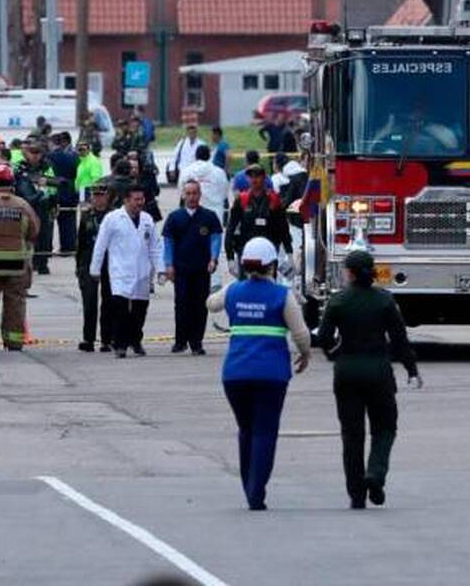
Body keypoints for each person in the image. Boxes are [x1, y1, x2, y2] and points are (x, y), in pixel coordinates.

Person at [205, 238, 312, 510]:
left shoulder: (234, 291)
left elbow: (211, 304)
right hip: (271, 375)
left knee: (246, 429)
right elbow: (300, 332)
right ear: (272, 265)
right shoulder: (281, 295)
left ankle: (248, 486)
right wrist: (305, 353)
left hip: (235, 374)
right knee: (265, 431)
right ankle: (256, 491)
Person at [318, 250, 422, 510]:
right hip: (378, 371)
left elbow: (324, 338)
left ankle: (356, 494)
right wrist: (411, 368)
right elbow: (399, 340)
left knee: (352, 435)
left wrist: (335, 353)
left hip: (347, 371)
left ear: (350, 273)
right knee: (385, 428)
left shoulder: (338, 301)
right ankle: (375, 473)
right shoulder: (385, 301)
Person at [89, 184, 162, 358]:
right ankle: (120, 344)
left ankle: (136, 340)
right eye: (136, 199)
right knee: (120, 310)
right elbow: (101, 245)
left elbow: (155, 247)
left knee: (139, 311)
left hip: (142, 272)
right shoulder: (112, 219)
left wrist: (160, 269)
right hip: (120, 272)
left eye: (142, 199)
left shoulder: (147, 220)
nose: (140, 203)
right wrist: (95, 268)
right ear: (126, 200)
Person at [0, 164, 39, 351]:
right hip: (17, 265)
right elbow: (34, 232)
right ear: (12, 183)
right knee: (15, 302)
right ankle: (14, 341)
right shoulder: (23, 205)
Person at [163, 181, 222, 355]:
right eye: (188, 193)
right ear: (183, 195)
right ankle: (180, 341)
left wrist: (213, 258)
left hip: (202, 269)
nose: (191, 197)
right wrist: (169, 264)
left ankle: (196, 342)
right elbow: (168, 242)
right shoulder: (175, 217)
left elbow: (215, 238)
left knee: (199, 306)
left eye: (195, 193)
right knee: (181, 305)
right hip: (181, 270)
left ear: (200, 195)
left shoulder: (209, 217)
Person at [225, 164, 293, 277]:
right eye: (251, 176)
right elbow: (231, 228)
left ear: (264, 177)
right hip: (246, 251)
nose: (254, 179)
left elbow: (283, 228)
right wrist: (230, 258)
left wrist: (289, 253)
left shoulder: (274, 200)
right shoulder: (241, 200)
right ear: (247, 179)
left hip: (268, 252)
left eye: (257, 176)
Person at [76, 182, 115, 353]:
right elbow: (81, 242)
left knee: (109, 302)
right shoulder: (86, 216)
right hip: (88, 261)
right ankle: (88, 339)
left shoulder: (114, 216)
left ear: (107, 197)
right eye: (95, 196)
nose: (98, 200)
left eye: (101, 196)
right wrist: (79, 266)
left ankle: (107, 339)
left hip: (109, 263)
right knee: (89, 302)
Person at [15, 142, 55, 275]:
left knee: (45, 235)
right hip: (27, 206)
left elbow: (53, 185)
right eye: (32, 153)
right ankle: (30, 263)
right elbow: (19, 187)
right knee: (28, 235)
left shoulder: (47, 167)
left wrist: (53, 201)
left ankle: (42, 263)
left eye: (38, 153)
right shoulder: (21, 167)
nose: (35, 156)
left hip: (44, 206)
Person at [47, 132, 80, 254]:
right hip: (70, 193)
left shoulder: (48, 157)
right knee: (69, 223)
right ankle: (68, 248)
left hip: (53, 193)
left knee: (48, 224)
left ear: (53, 143)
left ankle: (47, 249)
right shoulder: (74, 157)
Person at [178, 145, 230, 222]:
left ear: (195, 156)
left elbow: (182, 192)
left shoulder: (186, 172)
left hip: (193, 213)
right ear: (209, 156)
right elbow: (225, 193)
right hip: (215, 213)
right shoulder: (219, 172)